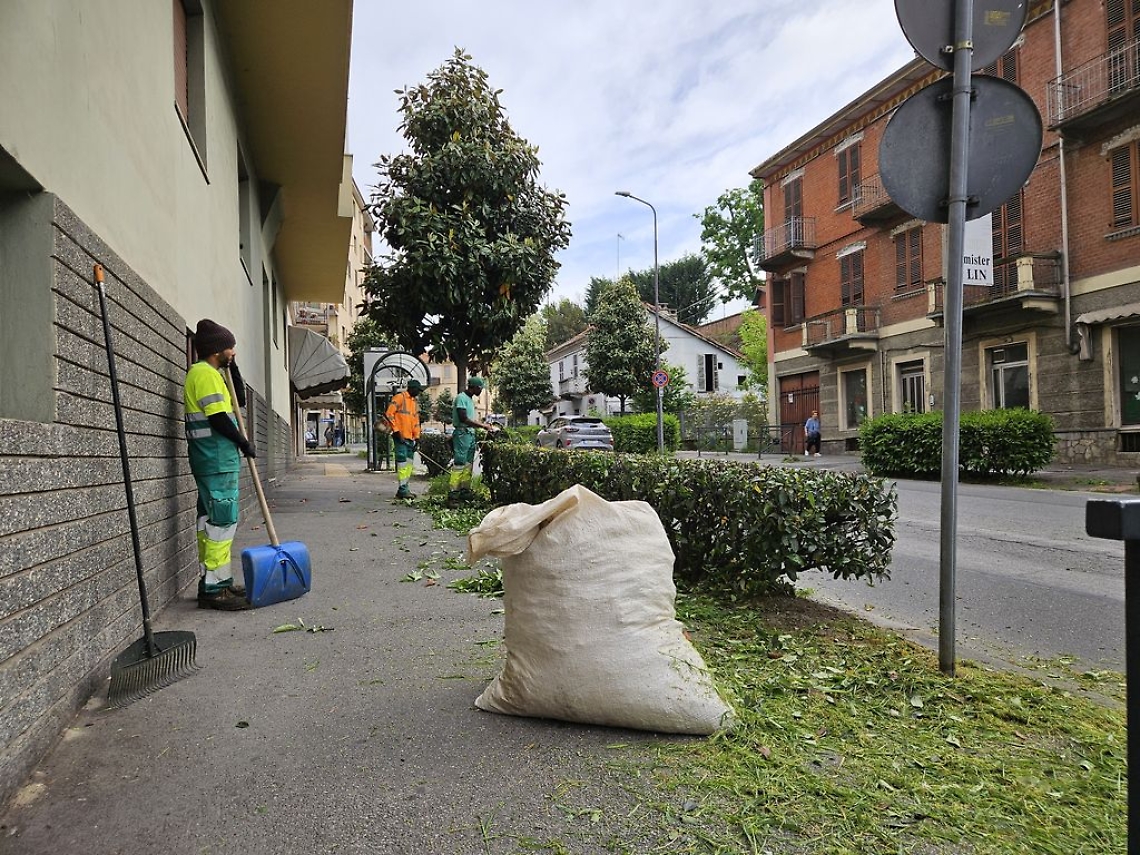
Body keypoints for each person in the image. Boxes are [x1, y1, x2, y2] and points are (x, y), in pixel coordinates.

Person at [183, 319, 256, 611]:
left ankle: (218, 582)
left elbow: (239, 399)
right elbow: (218, 418)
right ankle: (214, 589)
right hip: (215, 458)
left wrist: (233, 367)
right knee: (222, 522)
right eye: (230, 347)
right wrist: (242, 442)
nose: (233, 350)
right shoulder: (204, 374)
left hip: (211, 458)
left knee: (210, 522)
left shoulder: (212, 373)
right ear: (217, 350)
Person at [448, 376, 497, 506]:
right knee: (459, 464)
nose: (480, 391)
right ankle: (453, 495)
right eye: (480, 388)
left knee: (468, 465)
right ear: (474, 387)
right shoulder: (461, 398)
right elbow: (463, 418)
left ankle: (465, 491)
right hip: (462, 434)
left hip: (469, 434)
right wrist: (483, 426)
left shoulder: (469, 400)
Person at [384, 378, 424, 499]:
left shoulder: (414, 403)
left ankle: (404, 488)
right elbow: (389, 414)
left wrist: (417, 438)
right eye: (417, 390)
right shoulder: (399, 397)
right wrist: (396, 431)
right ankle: (403, 489)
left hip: (410, 438)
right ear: (411, 388)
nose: (418, 392)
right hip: (400, 437)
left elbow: (416, 422)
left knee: (409, 463)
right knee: (402, 462)